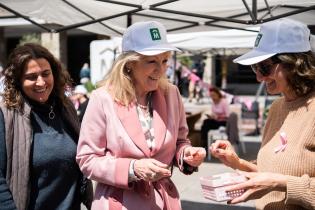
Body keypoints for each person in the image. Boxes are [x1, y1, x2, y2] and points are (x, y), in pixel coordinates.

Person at [76, 21, 206, 210]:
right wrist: (132, 169)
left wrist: (187, 155)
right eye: (152, 61)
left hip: (164, 202)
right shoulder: (102, 98)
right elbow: (87, 159)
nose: (161, 70)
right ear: (129, 64)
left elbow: (180, 141)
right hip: (119, 203)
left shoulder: (172, 93)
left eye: (164, 60)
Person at [210, 18, 315, 210]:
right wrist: (238, 162)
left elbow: (276, 180)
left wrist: (280, 183)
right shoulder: (277, 107)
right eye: (255, 68)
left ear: (294, 62)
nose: (258, 77)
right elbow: (270, 174)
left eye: (264, 67)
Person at [0, 43, 92, 210]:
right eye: (32, 76)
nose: (41, 82)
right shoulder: (5, 116)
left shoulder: (66, 108)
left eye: (45, 74)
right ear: (18, 81)